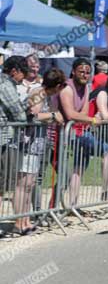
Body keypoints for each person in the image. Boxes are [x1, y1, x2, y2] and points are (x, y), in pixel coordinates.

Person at [52, 58, 108, 207]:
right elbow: (71, 115)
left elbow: (84, 113)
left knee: (78, 168)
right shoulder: (67, 88)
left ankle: (72, 205)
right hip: (67, 133)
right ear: (73, 72)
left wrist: (87, 119)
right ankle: (106, 190)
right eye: (81, 72)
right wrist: (90, 120)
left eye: (87, 72)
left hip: (79, 131)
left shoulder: (86, 88)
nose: (85, 75)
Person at [12, 69, 67, 235]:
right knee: (24, 184)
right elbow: (33, 115)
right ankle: (19, 222)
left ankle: (25, 220)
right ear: (57, 85)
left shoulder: (44, 94)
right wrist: (52, 114)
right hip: (28, 144)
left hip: (36, 144)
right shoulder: (38, 93)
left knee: (29, 184)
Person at [0, 56, 31, 237]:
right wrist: (29, 106)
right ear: (14, 71)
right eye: (23, 73)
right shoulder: (5, 85)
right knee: (1, 186)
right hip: (2, 139)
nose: (23, 78)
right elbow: (19, 115)